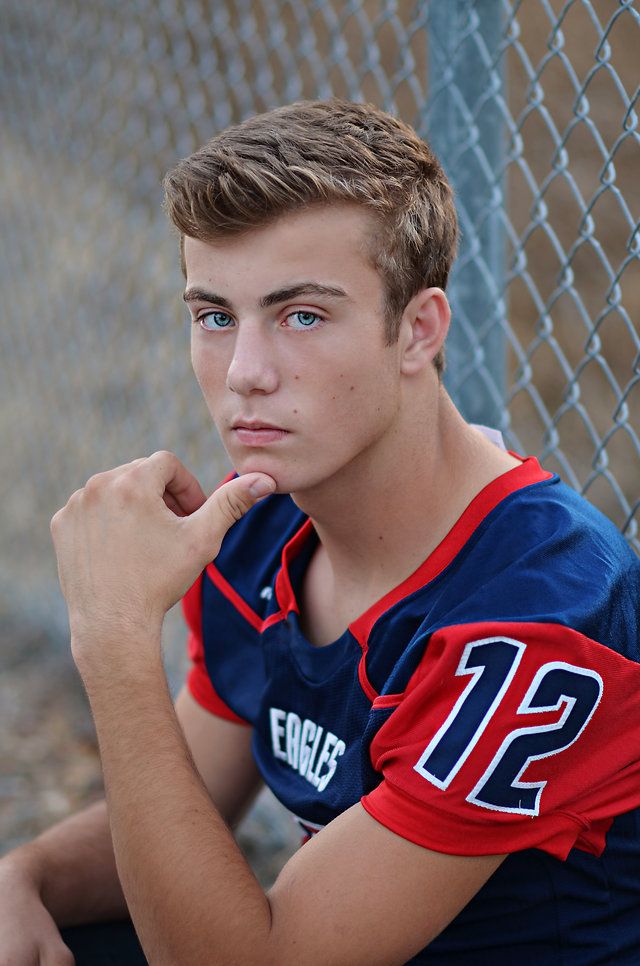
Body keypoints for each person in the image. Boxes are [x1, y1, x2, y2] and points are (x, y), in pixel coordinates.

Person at [2, 99, 640, 966]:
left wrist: (112, 638)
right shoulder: (256, 525)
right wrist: (25, 874)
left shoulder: (540, 610)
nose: (246, 375)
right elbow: (172, 808)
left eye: (302, 315)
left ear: (418, 330)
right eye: (215, 316)